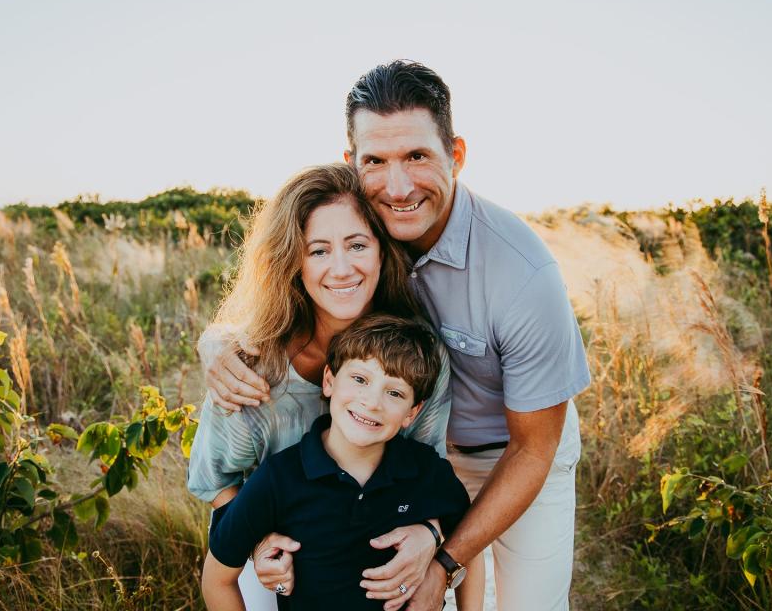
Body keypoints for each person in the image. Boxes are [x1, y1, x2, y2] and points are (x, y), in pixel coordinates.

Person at [206, 61, 591, 611]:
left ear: (455, 155)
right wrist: (219, 343)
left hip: (512, 450)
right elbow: (285, 289)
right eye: (376, 162)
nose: (399, 185)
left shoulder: (523, 275)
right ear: (352, 164)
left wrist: (443, 557)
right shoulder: (361, 229)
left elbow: (535, 447)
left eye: (417, 156)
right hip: (391, 445)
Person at [187, 163, 469, 609]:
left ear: (382, 250)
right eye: (318, 251)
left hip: (372, 547)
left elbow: (427, 470)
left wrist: (430, 534)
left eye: (357, 244)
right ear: (293, 262)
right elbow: (214, 479)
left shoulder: (420, 354)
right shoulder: (249, 371)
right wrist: (261, 538)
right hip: (275, 549)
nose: (341, 268)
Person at [201, 314, 471, 611]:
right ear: (329, 380)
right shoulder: (280, 478)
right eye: (359, 379)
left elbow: (468, 543)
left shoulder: (425, 471)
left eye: (394, 392)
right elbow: (217, 579)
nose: (372, 402)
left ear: (412, 413)